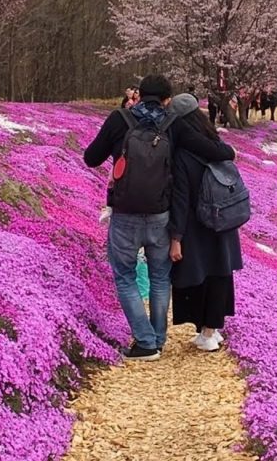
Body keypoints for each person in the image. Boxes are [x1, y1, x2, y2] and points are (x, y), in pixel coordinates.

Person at [83, 75, 235, 361]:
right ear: (167, 99)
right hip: (161, 216)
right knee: (159, 277)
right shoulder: (173, 124)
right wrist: (230, 151)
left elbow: (91, 158)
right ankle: (159, 339)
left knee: (125, 276)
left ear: (138, 95)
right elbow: (210, 150)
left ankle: (145, 342)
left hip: (125, 214)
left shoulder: (119, 119)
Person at [167, 94, 242, 352]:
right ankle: (212, 329)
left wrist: (175, 237)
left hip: (197, 224)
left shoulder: (182, 154)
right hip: (222, 219)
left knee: (202, 275)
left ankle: (208, 332)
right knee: (220, 272)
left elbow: (180, 198)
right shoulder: (215, 143)